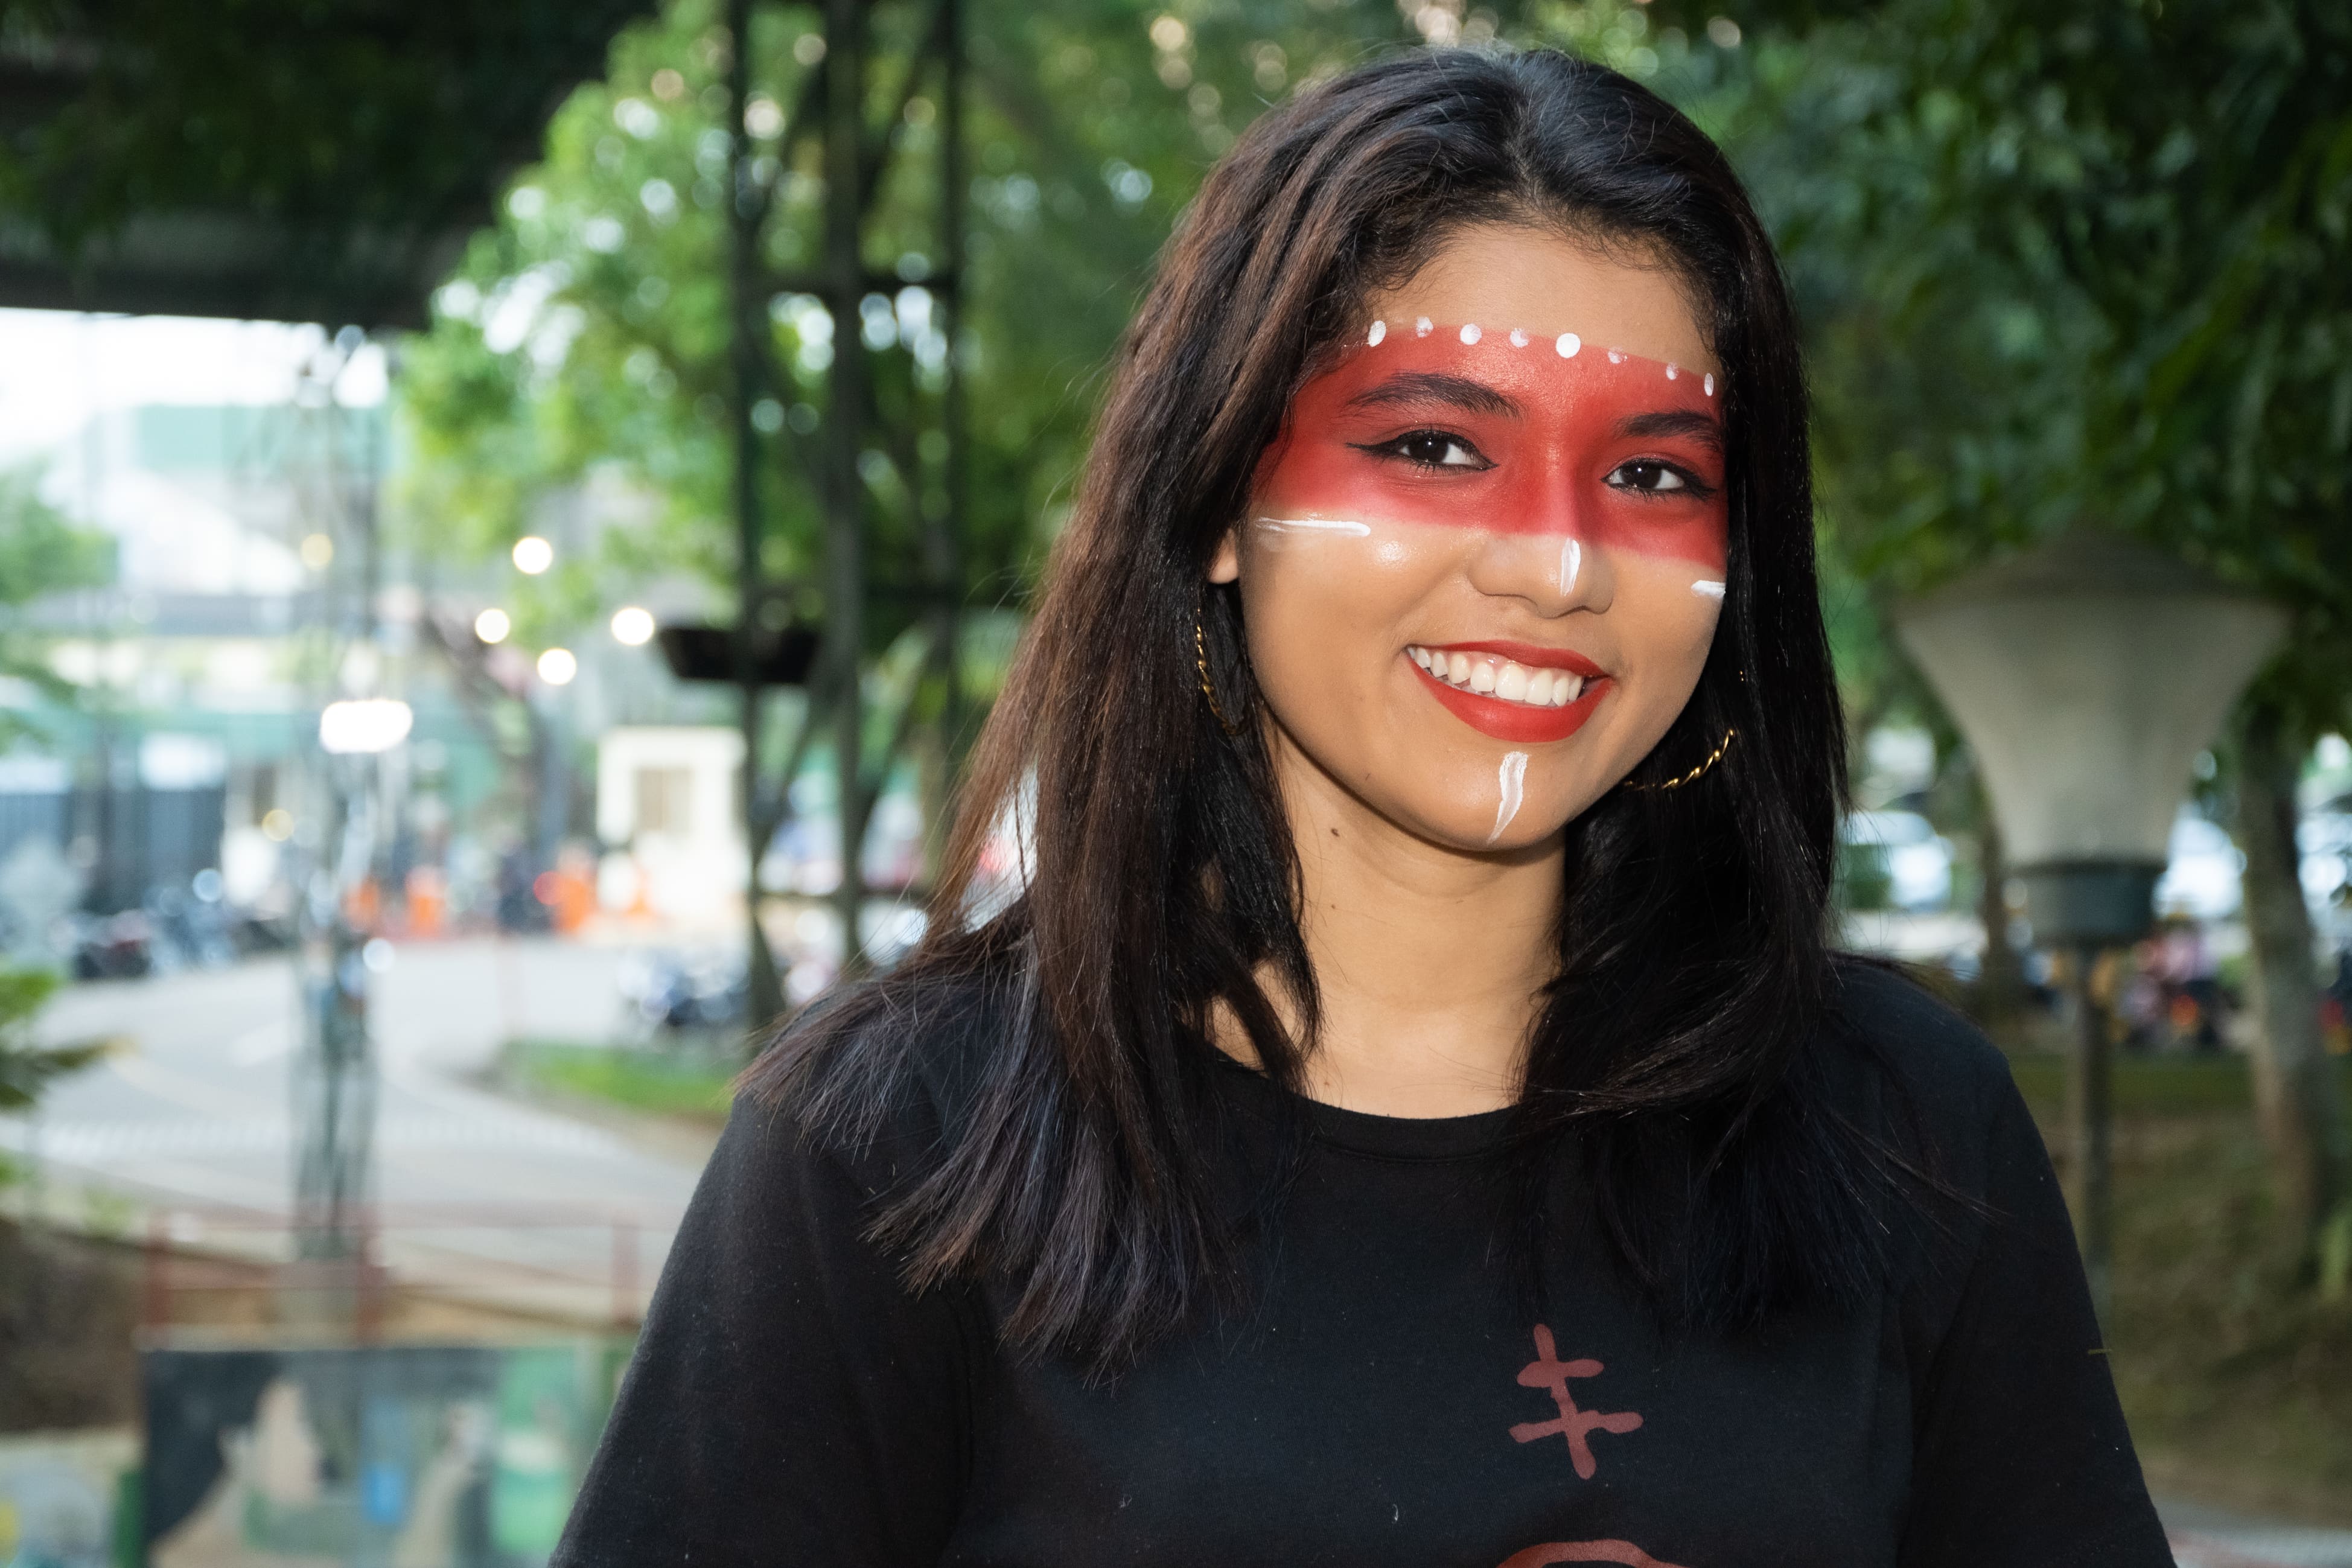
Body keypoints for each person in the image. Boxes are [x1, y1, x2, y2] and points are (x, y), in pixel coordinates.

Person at [555, 48, 2170, 1567]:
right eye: (1434, 446)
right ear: (1218, 505)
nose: (1555, 560)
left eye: (1655, 476)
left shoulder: (1907, 1129)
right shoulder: (890, 1152)